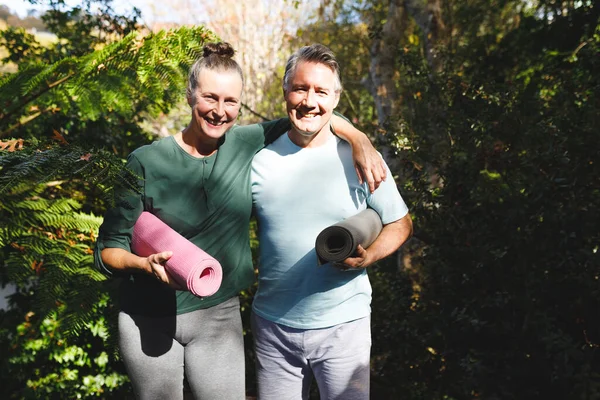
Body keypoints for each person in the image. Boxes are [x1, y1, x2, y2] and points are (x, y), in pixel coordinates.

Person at [94, 42, 384, 400]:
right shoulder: (145, 161)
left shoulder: (245, 143)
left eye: (230, 101)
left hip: (219, 317)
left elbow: (311, 113)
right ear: (189, 96)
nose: (219, 111)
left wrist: (359, 138)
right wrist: (141, 263)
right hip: (147, 316)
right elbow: (109, 248)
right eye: (210, 98)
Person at [251, 44, 414, 400]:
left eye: (321, 91)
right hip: (273, 328)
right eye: (300, 88)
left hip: (345, 327)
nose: (310, 101)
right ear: (285, 92)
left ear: (336, 98)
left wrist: (369, 257)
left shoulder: (363, 159)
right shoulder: (258, 160)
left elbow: (400, 223)